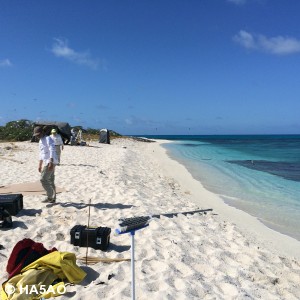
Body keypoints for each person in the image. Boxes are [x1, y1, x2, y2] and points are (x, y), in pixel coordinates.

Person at [33, 126, 58, 203]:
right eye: (36, 135)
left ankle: (49, 196)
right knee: (50, 180)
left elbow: (52, 150)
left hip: (51, 161)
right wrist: (40, 164)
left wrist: (51, 162)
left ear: (42, 133)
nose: (37, 136)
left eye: (38, 134)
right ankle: (53, 198)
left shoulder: (48, 138)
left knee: (43, 179)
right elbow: (41, 154)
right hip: (46, 162)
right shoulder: (40, 141)